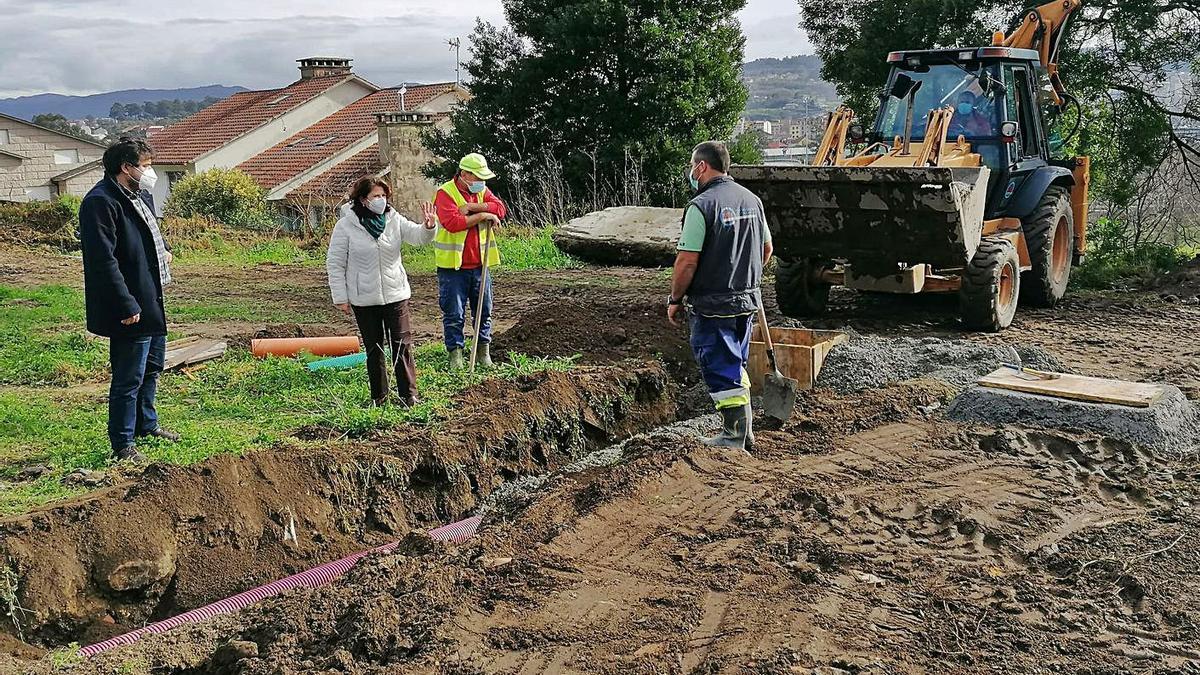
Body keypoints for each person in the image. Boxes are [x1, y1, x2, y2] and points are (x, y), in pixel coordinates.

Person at [668, 141, 773, 452]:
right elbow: (766, 249)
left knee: (721, 368)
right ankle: (745, 432)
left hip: (713, 304)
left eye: (691, 165)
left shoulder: (701, 206)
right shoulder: (752, 201)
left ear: (701, 167)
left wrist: (675, 299)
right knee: (735, 363)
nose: (691, 171)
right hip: (747, 301)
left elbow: (687, 260)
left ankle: (733, 436)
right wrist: (745, 276)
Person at [79, 138, 178, 462]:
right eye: (145, 165)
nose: (149, 172)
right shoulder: (100, 202)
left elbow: (148, 235)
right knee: (128, 375)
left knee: (151, 367)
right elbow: (102, 260)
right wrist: (125, 303)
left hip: (152, 295)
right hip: (130, 303)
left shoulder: (141, 195)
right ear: (126, 167)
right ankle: (123, 442)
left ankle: (146, 425)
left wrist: (160, 252)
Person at [327, 177, 437, 407]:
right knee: (374, 348)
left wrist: (428, 227)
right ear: (362, 200)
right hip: (363, 298)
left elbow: (416, 236)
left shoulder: (393, 218)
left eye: (383, 196)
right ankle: (379, 397)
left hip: (395, 292)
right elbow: (335, 262)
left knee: (402, 344)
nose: (381, 200)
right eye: (375, 196)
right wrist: (341, 297)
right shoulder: (346, 225)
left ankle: (409, 395)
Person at [432, 153, 506, 369]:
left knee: (484, 310)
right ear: (464, 174)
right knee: (454, 313)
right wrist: (485, 215)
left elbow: (500, 209)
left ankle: (483, 352)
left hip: (480, 266)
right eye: (477, 177)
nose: (481, 183)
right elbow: (453, 222)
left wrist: (474, 209)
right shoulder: (446, 193)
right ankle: (455, 354)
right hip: (453, 268)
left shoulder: (481, 191)